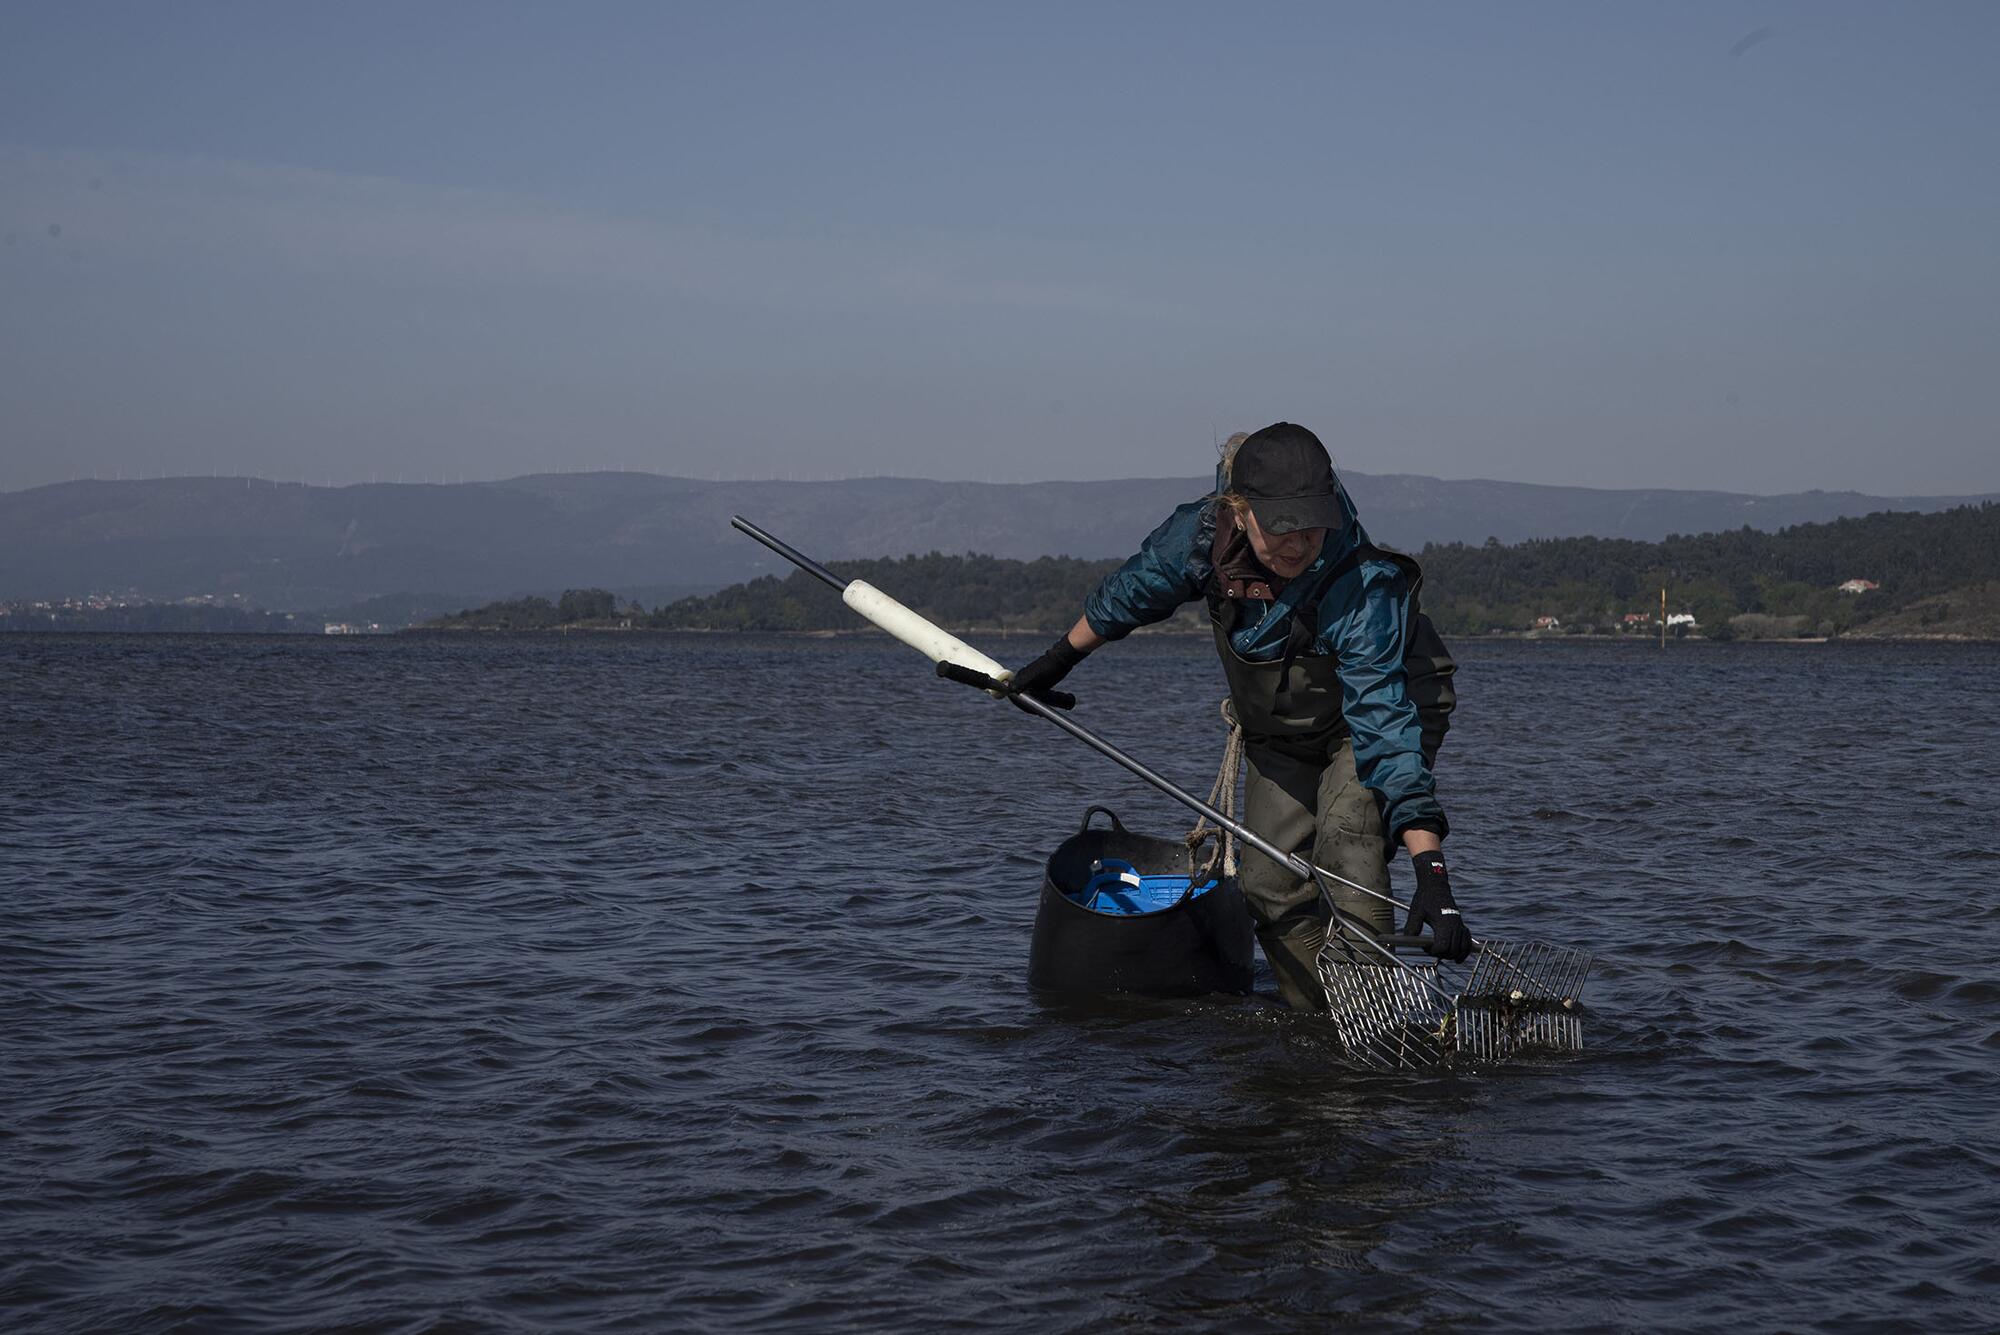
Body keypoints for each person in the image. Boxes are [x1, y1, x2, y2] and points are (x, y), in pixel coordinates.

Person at [1010, 422, 1471, 1011]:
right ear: (1238, 509)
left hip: (1380, 713)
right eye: (1280, 525)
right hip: (1280, 727)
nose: (1299, 543)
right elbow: (1132, 592)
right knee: (1268, 882)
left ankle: (1377, 1027)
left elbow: (1383, 726)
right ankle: (1321, 1021)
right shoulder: (1200, 537)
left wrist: (1432, 873)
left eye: (1311, 524)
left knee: (1348, 847)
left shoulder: (1361, 586)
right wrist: (1056, 661)